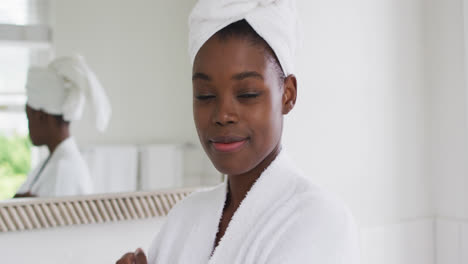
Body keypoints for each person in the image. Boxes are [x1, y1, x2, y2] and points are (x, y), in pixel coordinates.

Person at [117, 0, 360, 263]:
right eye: (205, 95)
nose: (222, 115)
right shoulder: (185, 217)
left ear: (287, 95)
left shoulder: (320, 220)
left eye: (247, 94)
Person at [14, 55, 111, 198]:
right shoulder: (52, 163)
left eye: (28, 117)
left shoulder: (63, 170)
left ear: (41, 117)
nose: (28, 127)